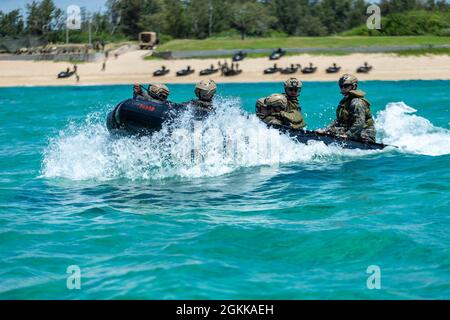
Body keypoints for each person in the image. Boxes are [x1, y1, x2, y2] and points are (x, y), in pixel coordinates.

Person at [317, 74, 376, 143]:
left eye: (346, 86)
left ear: (354, 86)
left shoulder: (357, 102)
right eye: (341, 86)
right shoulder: (345, 101)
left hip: (364, 134)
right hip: (351, 130)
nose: (343, 89)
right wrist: (325, 130)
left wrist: (348, 135)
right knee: (331, 131)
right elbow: (339, 120)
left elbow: (359, 123)